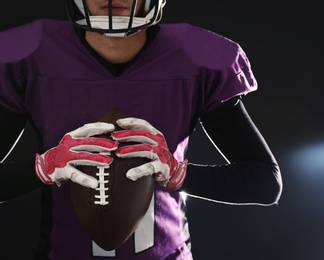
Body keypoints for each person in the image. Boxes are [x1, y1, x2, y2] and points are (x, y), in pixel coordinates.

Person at [0, 0, 283, 259]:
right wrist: (42, 168)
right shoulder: (30, 56)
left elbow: (265, 182)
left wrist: (178, 173)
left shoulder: (196, 58)